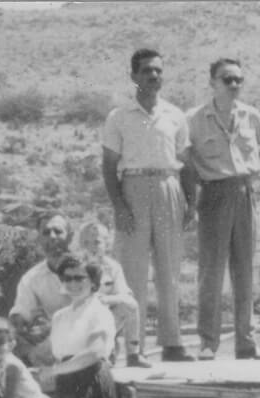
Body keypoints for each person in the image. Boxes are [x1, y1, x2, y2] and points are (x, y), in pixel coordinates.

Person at [101, 48, 195, 362]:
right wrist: (119, 206)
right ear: (133, 76)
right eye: (146, 71)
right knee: (133, 274)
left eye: (157, 71)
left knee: (169, 271)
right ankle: (133, 348)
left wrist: (190, 201)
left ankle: (172, 344)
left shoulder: (175, 115)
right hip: (133, 188)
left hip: (169, 186)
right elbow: (109, 166)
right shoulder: (119, 117)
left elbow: (186, 161)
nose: (153, 76)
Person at [186, 58, 260, 361]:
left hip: (244, 192)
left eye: (238, 79)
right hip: (213, 193)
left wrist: (253, 169)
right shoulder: (195, 119)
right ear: (212, 82)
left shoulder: (251, 115)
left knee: (245, 270)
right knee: (211, 272)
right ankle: (208, 343)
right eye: (227, 79)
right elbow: (184, 157)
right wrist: (201, 177)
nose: (234, 85)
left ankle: (246, 342)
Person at [37, 255, 122, 398]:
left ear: (93, 282)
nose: (72, 283)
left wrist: (55, 370)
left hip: (90, 383)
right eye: (67, 278)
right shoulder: (60, 316)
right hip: (66, 384)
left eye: (79, 278)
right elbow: (51, 353)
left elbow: (95, 353)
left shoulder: (99, 312)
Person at [77, 220, 150, 368]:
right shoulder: (75, 266)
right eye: (86, 243)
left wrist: (104, 299)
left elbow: (124, 295)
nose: (91, 247)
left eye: (96, 242)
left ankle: (133, 354)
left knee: (130, 305)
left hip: (107, 319)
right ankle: (101, 353)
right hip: (80, 324)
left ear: (106, 244)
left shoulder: (113, 267)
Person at [9, 213, 74, 367]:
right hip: (46, 338)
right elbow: (22, 311)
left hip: (79, 333)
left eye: (58, 231)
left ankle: (32, 359)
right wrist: (19, 323)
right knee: (5, 332)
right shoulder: (31, 278)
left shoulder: (84, 268)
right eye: (46, 232)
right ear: (39, 239)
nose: (52, 237)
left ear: (70, 236)